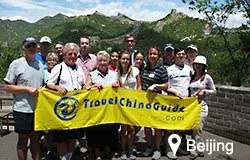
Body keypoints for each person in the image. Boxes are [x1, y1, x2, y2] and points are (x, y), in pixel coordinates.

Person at [4, 37, 44, 160]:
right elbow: (8, 87)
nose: (31, 48)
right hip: (22, 109)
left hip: (37, 109)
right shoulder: (16, 64)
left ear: (37, 48)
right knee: (22, 140)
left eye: (33, 46)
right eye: (28, 46)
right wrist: (27, 89)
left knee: (35, 139)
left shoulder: (40, 64)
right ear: (24, 48)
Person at [47, 43, 85, 160]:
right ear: (64, 55)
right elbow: (49, 84)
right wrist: (57, 88)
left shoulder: (79, 68)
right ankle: (63, 158)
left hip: (76, 109)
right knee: (62, 138)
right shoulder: (58, 68)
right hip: (62, 109)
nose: (72, 56)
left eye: (75, 54)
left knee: (73, 137)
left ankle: (69, 157)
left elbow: (83, 84)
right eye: (70, 54)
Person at [85, 50, 119, 160]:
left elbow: (121, 89)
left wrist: (117, 86)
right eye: (100, 60)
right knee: (96, 130)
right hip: (96, 109)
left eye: (105, 60)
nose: (102, 62)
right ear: (97, 62)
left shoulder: (114, 74)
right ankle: (97, 152)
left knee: (110, 129)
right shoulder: (92, 74)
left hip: (111, 109)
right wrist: (93, 86)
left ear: (108, 62)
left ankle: (108, 150)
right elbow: (86, 87)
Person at [141, 47, 168, 160]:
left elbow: (166, 84)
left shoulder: (162, 69)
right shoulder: (145, 69)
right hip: (146, 102)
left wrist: (156, 86)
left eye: (155, 54)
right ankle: (149, 146)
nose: (152, 56)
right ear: (148, 55)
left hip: (157, 102)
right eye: (150, 54)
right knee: (147, 126)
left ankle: (157, 149)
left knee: (157, 127)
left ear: (158, 56)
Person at [166, 48, 192, 159]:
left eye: (183, 54)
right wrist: (174, 92)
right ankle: (169, 149)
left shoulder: (189, 70)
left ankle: (178, 147)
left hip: (185, 103)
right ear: (174, 56)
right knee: (170, 127)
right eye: (178, 54)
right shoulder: (169, 69)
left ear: (185, 56)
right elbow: (166, 85)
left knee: (181, 127)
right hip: (172, 101)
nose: (181, 56)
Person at [189, 56, 216, 159]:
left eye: (200, 65)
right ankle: (200, 149)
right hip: (191, 107)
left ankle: (194, 150)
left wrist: (204, 91)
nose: (198, 67)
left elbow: (214, 91)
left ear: (204, 66)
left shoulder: (207, 77)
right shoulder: (192, 76)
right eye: (196, 64)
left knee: (198, 128)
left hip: (202, 106)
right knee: (194, 128)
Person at [118, 50, 141, 160]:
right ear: (120, 60)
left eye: (127, 59)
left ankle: (130, 149)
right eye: (123, 59)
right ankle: (123, 150)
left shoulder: (135, 70)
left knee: (132, 129)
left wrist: (138, 99)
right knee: (123, 129)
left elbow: (139, 86)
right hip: (122, 105)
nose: (125, 61)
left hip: (133, 104)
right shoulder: (116, 73)